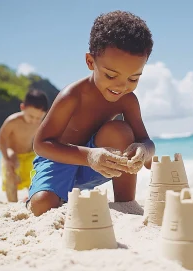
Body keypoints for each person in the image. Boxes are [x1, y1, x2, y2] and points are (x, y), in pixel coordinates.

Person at [28, 10, 155, 216]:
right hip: (61, 159)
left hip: (100, 163)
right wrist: (89, 156)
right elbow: (40, 145)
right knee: (41, 205)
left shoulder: (128, 101)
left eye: (133, 79)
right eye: (111, 75)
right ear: (90, 62)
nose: (121, 86)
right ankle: (44, 192)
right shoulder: (72, 96)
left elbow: (147, 144)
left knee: (121, 131)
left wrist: (143, 151)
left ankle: (125, 204)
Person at [0, 89, 49, 202]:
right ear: (22, 108)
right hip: (12, 153)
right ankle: (13, 204)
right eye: (31, 116)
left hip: (29, 154)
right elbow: (1, 139)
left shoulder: (40, 124)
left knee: (35, 178)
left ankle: (31, 199)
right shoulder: (13, 121)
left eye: (38, 118)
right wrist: (6, 158)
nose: (34, 121)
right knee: (11, 173)